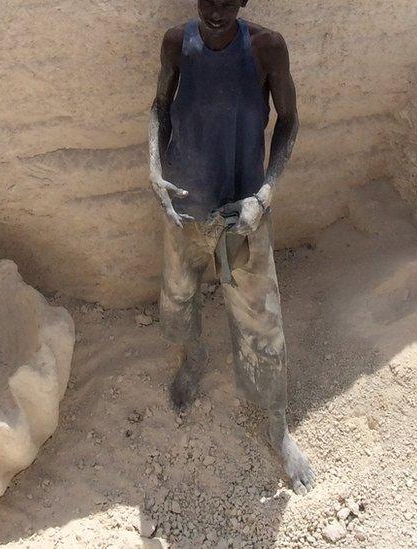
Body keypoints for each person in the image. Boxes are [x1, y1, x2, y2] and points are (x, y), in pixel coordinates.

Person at [147, 0, 315, 494]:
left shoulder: (266, 48)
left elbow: (289, 119)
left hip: (243, 213)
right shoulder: (177, 43)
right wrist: (153, 169)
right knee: (179, 294)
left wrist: (264, 195)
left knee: (261, 317)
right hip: (186, 207)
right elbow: (159, 107)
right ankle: (191, 358)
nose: (216, 10)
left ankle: (277, 422)